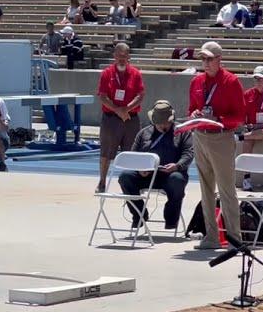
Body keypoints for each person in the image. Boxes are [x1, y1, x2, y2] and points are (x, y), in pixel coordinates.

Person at [188, 41, 246, 249]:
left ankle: (234, 238)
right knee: (205, 189)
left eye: (209, 59)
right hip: (200, 135)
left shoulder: (231, 82)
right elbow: (192, 108)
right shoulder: (196, 81)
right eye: (203, 59)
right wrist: (194, 114)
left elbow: (239, 116)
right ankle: (211, 236)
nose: (205, 63)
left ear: (219, 59)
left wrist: (218, 117)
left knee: (226, 189)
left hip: (221, 137)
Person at [119, 100, 193, 229]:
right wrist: (139, 168)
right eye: (158, 123)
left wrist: (177, 166)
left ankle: (171, 219)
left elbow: (189, 153)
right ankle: (139, 214)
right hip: (146, 174)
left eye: (165, 123)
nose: (162, 126)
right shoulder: (144, 133)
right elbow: (134, 154)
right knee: (125, 177)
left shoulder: (182, 132)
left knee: (177, 180)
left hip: (171, 174)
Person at [96, 43, 145, 193]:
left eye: (125, 56)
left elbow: (140, 95)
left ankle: (130, 183)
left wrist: (126, 109)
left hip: (131, 118)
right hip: (111, 119)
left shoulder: (136, 74)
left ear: (128, 57)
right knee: (106, 152)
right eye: (119, 56)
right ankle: (102, 182)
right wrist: (118, 110)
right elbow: (102, 96)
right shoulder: (107, 73)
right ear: (114, 56)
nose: (122, 59)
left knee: (131, 152)